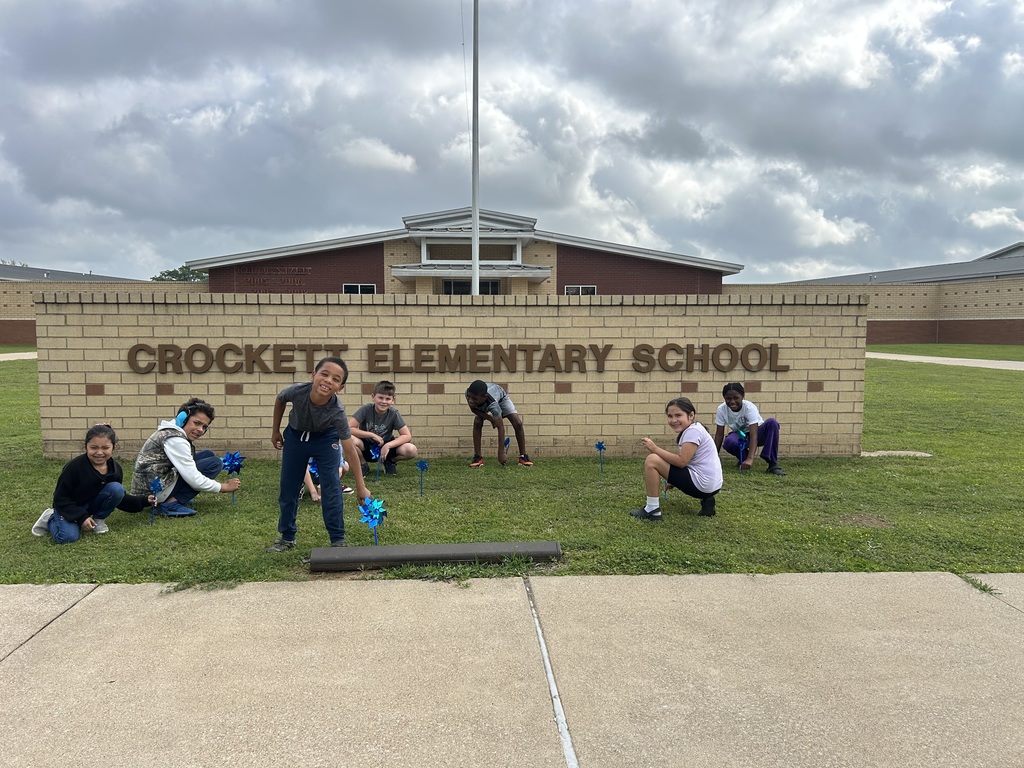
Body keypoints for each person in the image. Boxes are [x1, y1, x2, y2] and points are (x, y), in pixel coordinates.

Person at [267, 356, 368, 552]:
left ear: (341, 387)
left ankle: (337, 540)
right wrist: (275, 430)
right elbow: (280, 399)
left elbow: (349, 449)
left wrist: (361, 486)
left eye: (336, 379)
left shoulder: (337, 411)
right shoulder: (296, 391)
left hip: (325, 440)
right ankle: (287, 537)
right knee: (288, 487)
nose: (329, 380)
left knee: (331, 486)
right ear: (313, 376)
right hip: (296, 438)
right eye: (324, 374)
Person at [33, 424, 155, 544]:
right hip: (68, 507)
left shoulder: (115, 469)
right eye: (94, 447)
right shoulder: (74, 467)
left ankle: (99, 520)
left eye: (105, 448)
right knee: (68, 537)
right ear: (85, 446)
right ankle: (49, 518)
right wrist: (81, 517)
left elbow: (119, 497)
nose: (99, 452)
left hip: (90, 505)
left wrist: (144, 501)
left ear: (114, 447)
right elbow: (60, 498)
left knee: (117, 488)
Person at [131, 397, 240, 516]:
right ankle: (169, 504)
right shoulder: (175, 439)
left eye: (204, 427)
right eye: (197, 423)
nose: (200, 430)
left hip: (152, 485)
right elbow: (193, 478)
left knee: (208, 454)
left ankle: (173, 497)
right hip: (153, 493)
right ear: (182, 418)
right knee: (214, 464)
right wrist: (223, 487)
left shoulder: (171, 432)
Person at [630, 397, 723, 520]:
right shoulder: (697, 428)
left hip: (702, 486)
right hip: (714, 486)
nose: (673, 420)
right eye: (670, 416)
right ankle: (707, 503)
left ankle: (652, 510)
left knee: (652, 459)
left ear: (691, 415)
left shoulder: (693, 432)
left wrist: (654, 448)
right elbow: (693, 461)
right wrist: (674, 479)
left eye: (678, 415)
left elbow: (681, 462)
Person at [714, 382, 786, 476]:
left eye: (736, 398)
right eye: (728, 398)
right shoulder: (721, 409)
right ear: (724, 398)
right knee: (729, 442)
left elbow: (754, 435)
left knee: (772, 423)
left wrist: (750, 459)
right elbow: (719, 434)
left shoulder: (749, 407)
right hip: (742, 435)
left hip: (758, 433)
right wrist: (713, 458)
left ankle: (772, 464)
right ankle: (743, 459)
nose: (732, 401)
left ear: (742, 396)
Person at [348, 380, 418, 476]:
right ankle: (362, 465)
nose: (383, 402)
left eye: (388, 399)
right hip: (366, 446)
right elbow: (349, 428)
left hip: (386, 448)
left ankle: (390, 462)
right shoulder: (366, 409)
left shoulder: (394, 413)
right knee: (349, 439)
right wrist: (372, 435)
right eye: (380, 397)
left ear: (393, 400)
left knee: (411, 449)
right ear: (373, 397)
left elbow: (407, 435)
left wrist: (388, 445)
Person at [464, 380, 532, 468]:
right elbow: (473, 409)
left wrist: (501, 452)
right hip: (484, 401)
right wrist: (490, 419)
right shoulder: (469, 393)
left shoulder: (493, 406)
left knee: (517, 423)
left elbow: (500, 427)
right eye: (469, 397)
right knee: (477, 422)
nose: (470, 401)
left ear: (484, 397)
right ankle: (478, 457)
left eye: (474, 399)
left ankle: (523, 457)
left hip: (502, 399)